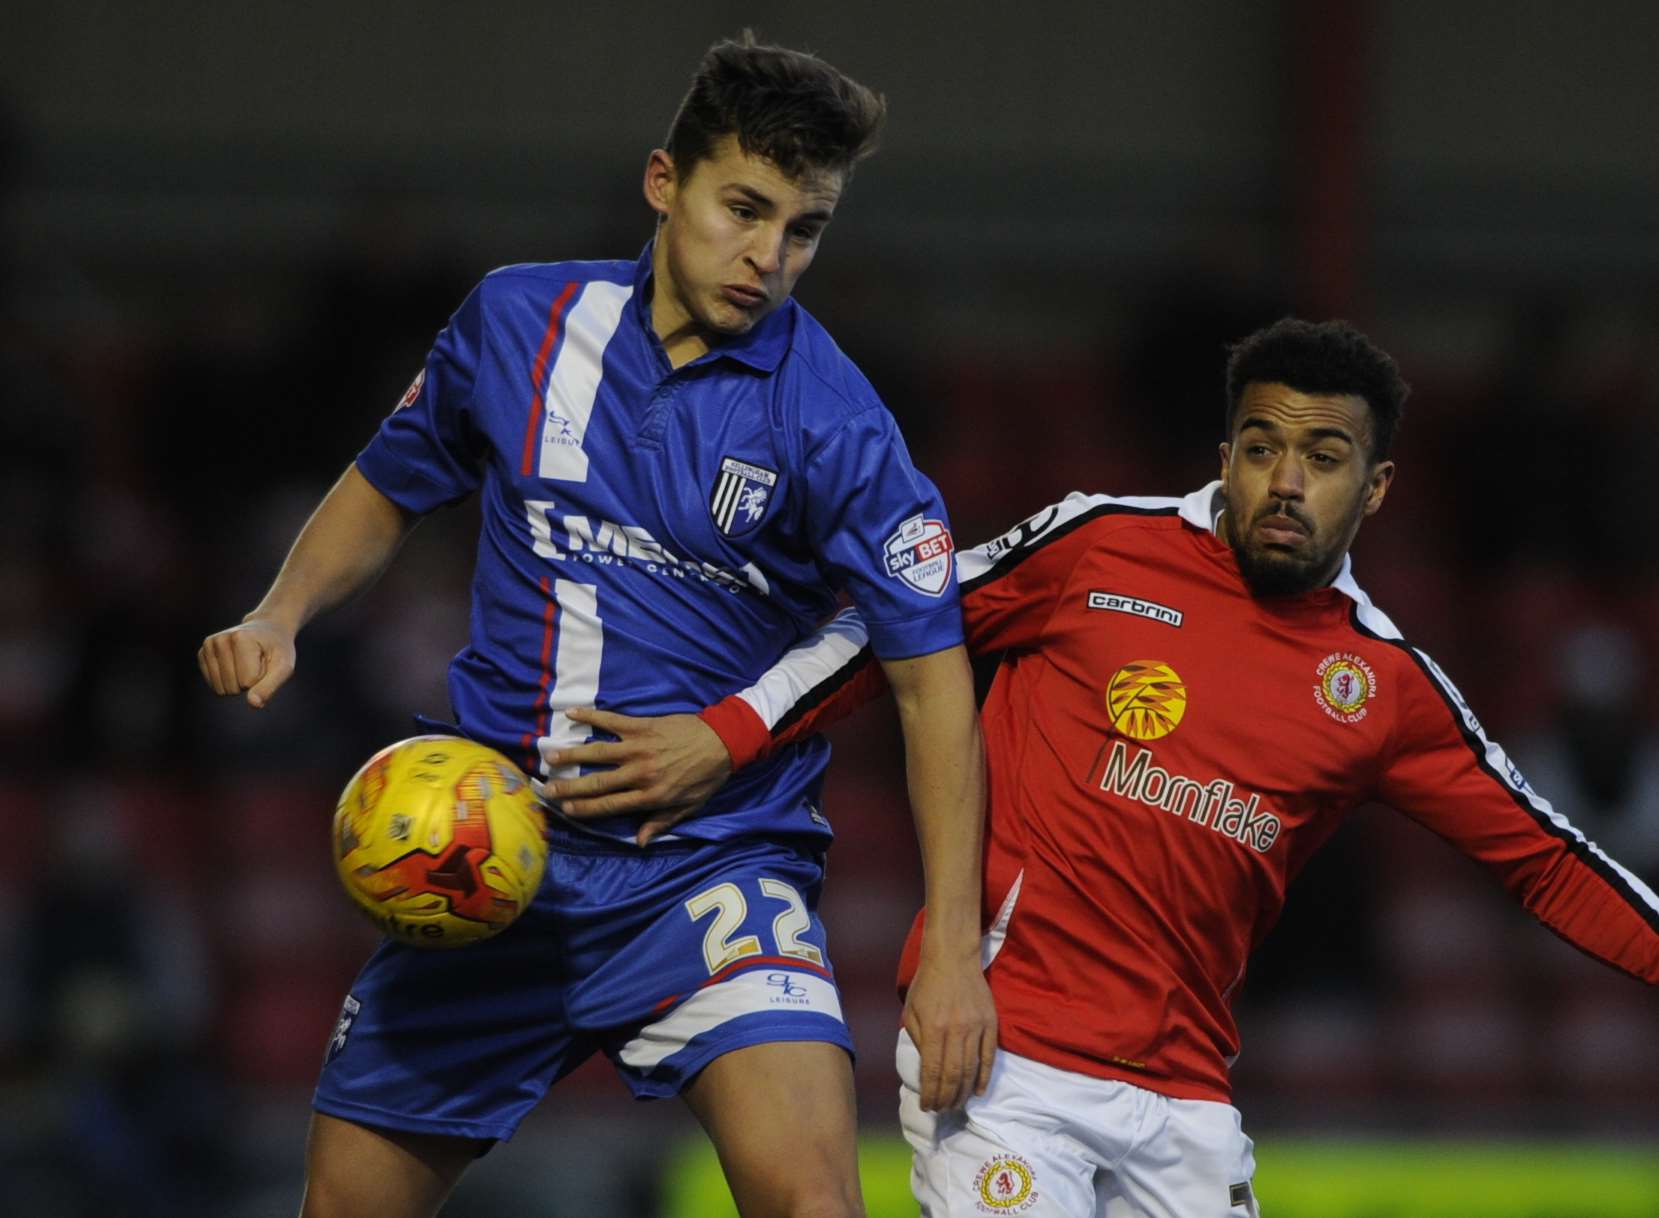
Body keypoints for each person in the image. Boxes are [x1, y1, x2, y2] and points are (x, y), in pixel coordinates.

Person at [549, 318, 1659, 1217]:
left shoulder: (1386, 688)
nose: (1285, 481)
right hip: (1005, 1060)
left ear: (1374, 490)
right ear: (1224, 457)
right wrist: (730, 732)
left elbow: (1547, 861)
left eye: (1323, 459)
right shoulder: (1098, 546)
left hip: (1186, 1097)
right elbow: (895, 622)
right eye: (1262, 446)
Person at [197, 32, 995, 1218]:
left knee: (816, 1204)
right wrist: (282, 612)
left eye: (805, 228)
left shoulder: (839, 426)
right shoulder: (517, 323)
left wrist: (951, 950)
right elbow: (388, 482)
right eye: (744, 209)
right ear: (663, 182)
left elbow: (934, 682)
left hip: (713, 865)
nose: (770, 257)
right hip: (489, 850)